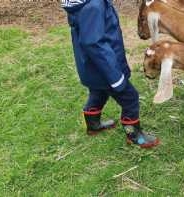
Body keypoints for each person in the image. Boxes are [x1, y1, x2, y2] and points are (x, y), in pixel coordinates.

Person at [61, 0, 160, 148]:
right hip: (105, 70)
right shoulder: (93, 6)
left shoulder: (85, 5)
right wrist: (115, 77)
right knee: (130, 98)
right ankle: (134, 136)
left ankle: (93, 125)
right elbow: (93, 43)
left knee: (98, 93)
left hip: (92, 67)